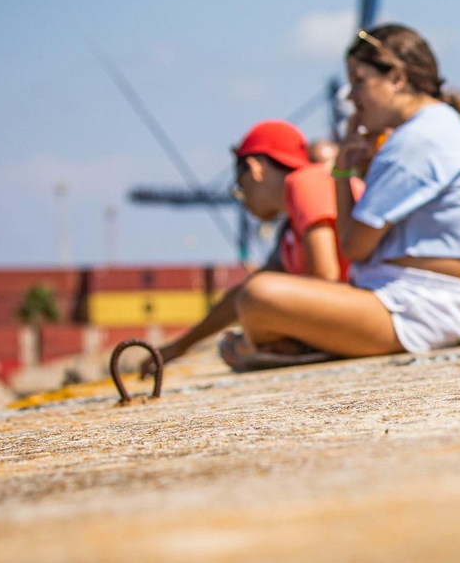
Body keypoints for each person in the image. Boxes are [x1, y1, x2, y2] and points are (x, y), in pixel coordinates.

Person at [225, 25, 460, 365]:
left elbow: (354, 247)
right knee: (261, 301)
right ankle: (310, 342)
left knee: (257, 295)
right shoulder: (433, 130)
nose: (350, 97)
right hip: (421, 300)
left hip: (419, 307)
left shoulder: (415, 141)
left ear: (397, 79)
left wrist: (341, 173)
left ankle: (309, 344)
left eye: (358, 81)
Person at [146, 120, 356, 373]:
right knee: (252, 308)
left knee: (256, 303)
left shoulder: (306, 181)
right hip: (353, 314)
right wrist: (178, 347)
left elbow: (325, 277)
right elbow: (242, 294)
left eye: (240, 187)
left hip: (371, 311)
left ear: (255, 168)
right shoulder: (290, 230)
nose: (244, 200)